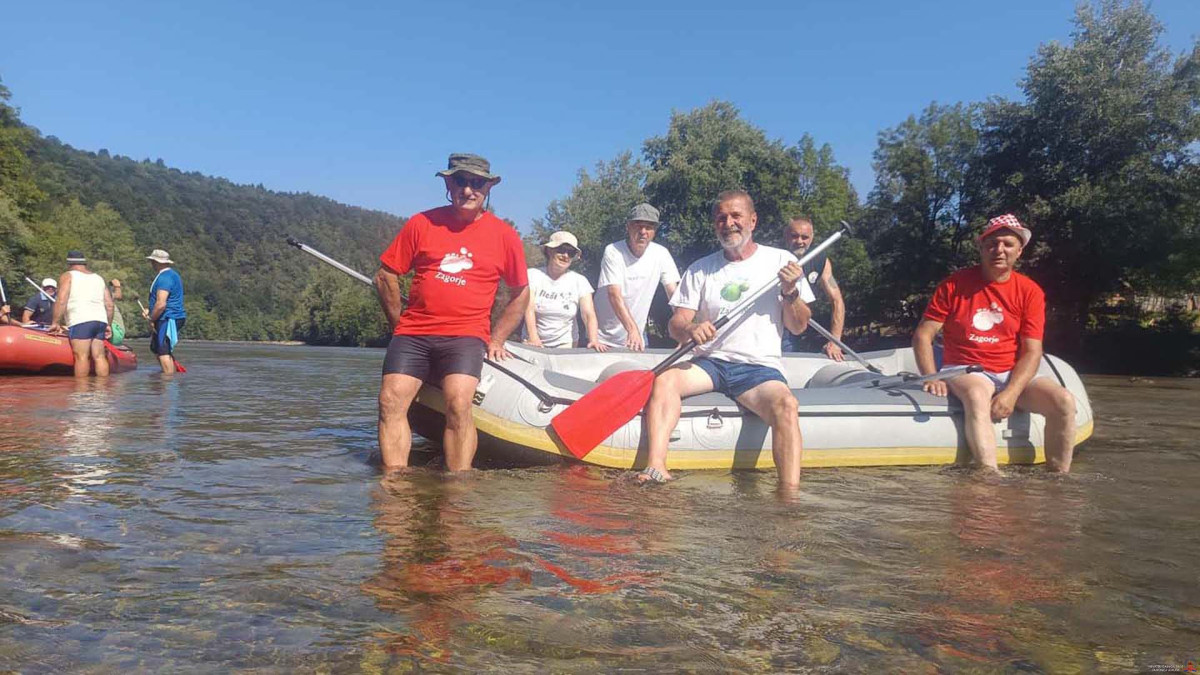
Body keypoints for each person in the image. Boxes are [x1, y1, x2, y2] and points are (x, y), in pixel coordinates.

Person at [641, 190, 815, 486]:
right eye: (721, 218)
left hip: (759, 369)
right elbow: (676, 323)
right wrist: (690, 329)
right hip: (710, 362)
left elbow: (799, 326)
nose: (728, 223)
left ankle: (789, 495)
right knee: (665, 380)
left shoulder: (781, 261)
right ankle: (656, 467)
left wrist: (790, 291)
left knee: (787, 405)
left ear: (753, 220)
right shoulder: (700, 268)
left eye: (736, 216)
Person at [373, 153, 529, 472]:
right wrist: (398, 326)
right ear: (448, 183)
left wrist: (497, 338)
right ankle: (395, 482)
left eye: (476, 183)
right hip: (413, 333)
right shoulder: (421, 222)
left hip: (466, 336)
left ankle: (457, 485)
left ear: (488, 187)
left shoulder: (505, 235)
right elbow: (386, 275)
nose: (468, 190)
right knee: (390, 401)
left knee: (458, 402)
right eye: (461, 181)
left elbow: (521, 292)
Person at [912, 214, 1078, 473]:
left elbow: (1033, 351)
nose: (999, 250)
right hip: (966, 369)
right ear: (981, 248)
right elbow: (923, 334)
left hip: (1010, 371)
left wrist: (1011, 393)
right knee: (978, 395)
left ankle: (1058, 479)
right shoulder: (954, 285)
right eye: (992, 244)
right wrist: (931, 377)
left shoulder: (1030, 292)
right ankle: (989, 477)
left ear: (1019, 251)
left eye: (1007, 244)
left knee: (1064, 401)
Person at [593, 203, 681, 351]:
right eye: (638, 225)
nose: (643, 231)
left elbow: (674, 295)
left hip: (636, 339)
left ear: (655, 230)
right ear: (628, 227)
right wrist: (632, 330)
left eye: (649, 227)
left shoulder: (661, 254)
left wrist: (684, 330)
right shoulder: (613, 251)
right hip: (602, 339)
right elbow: (614, 294)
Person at [522, 231, 606, 351]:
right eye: (561, 250)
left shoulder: (580, 281)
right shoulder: (533, 275)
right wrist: (533, 338)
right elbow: (528, 309)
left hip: (566, 344)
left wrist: (593, 340)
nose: (565, 255)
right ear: (550, 251)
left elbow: (588, 314)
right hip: (533, 342)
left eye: (571, 253)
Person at [782, 217, 848, 360]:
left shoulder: (820, 260)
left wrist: (835, 341)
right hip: (772, 326)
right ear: (786, 236)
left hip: (800, 325)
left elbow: (837, 301)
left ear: (812, 238)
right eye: (794, 236)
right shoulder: (773, 255)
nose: (799, 241)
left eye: (805, 237)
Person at [48, 251, 114, 377]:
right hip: (100, 320)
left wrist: (55, 322)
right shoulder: (98, 278)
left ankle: (81, 393)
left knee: (81, 357)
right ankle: (102, 392)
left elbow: (61, 300)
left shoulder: (68, 276)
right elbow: (110, 305)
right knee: (99, 356)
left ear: (69, 263)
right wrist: (108, 324)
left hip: (80, 319)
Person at [141, 249, 187, 374]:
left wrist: (151, 318)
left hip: (168, 317)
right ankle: (165, 380)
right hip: (167, 317)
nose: (151, 264)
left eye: (152, 261)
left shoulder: (164, 278)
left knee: (162, 350)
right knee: (156, 347)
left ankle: (168, 383)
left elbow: (161, 304)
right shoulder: (172, 275)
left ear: (157, 262)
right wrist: (150, 310)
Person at [108, 278, 126, 345]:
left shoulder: (103, 295)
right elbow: (118, 295)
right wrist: (117, 286)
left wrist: (117, 286)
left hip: (116, 332)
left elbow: (118, 296)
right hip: (116, 332)